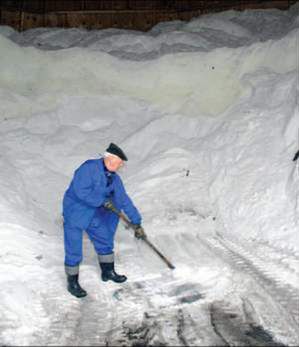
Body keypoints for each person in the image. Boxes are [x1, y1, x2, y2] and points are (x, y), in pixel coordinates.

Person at [62, 143, 146, 298]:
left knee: (104, 236)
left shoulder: (114, 179)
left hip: (93, 212)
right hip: (76, 210)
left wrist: (136, 222)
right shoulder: (88, 169)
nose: (120, 166)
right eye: (120, 163)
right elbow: (81, 191)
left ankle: (108, 271)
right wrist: (101, 200)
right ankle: (72, 282)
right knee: (73, 246)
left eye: (121, 164)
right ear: (111, 160)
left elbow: (123, 199)